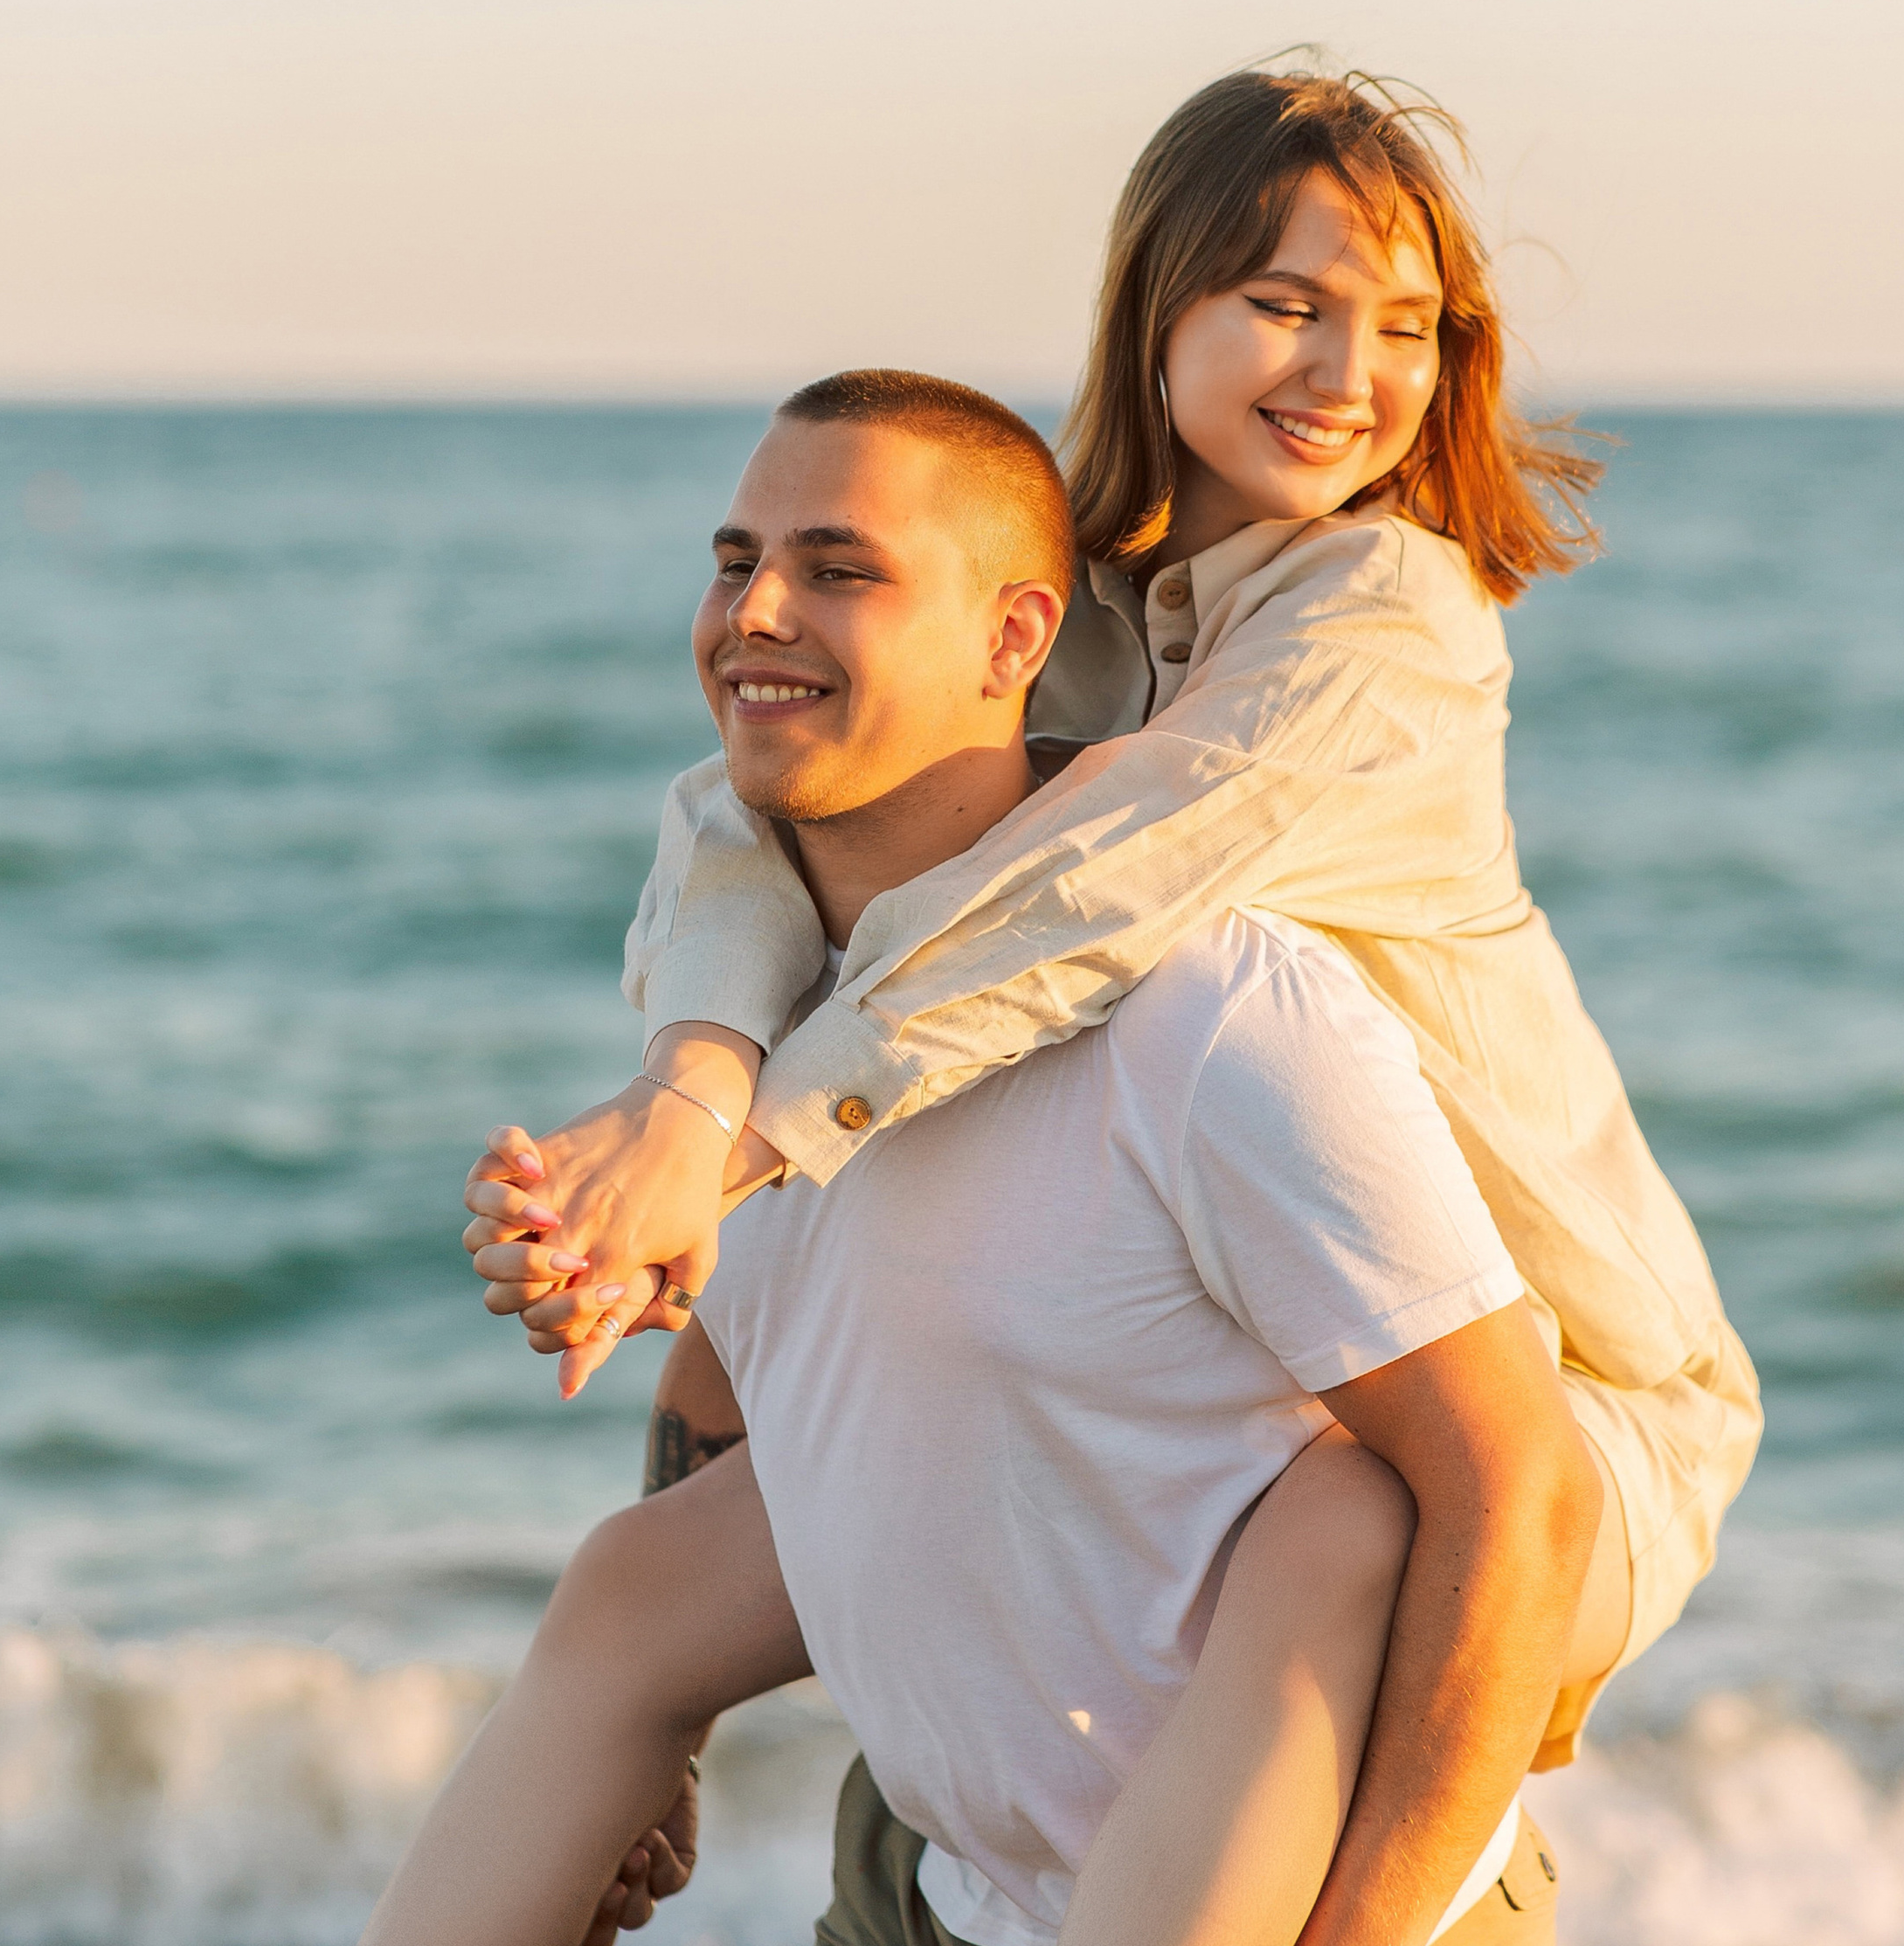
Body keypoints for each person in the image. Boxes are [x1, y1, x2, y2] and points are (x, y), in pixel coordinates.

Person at [464, 66, 1761, 1936]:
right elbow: (728, 813)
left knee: (1326, 1517)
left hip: (1564, 1393)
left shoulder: (1386, 620)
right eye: (1285, 304)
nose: (1345, 371)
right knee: (645, 1570)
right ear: (1157, 307)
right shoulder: (1069, 595)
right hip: (1250, 1369)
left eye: (1403, 326)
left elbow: (1095, 880)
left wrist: (734, 1141)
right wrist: (683, 1100)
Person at [365, 375, 1602, 1946]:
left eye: (839, 570)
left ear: (1016, 640)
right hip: (950, 1895)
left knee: (1347, 1515)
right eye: (736, 559)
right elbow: (748, 1378)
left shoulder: (1212, 1018)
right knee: (624, 1586)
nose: (757, 612)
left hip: (1327, 1908)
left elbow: (1521, 1489)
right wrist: (661, 1733)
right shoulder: (732, 1023)